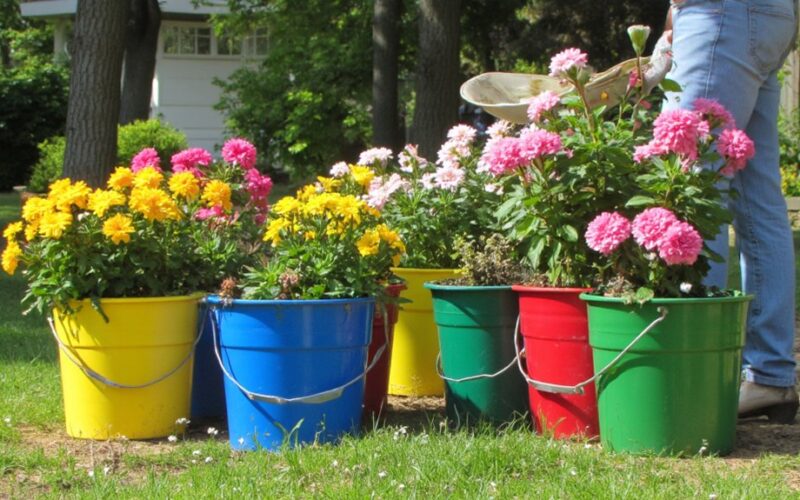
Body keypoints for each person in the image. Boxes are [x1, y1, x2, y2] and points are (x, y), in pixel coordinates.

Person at [663, 0, 799, 423]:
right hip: (770, 14)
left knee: (692, 180)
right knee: (757, 197)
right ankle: (770, 376)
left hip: (721, 13)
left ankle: (696, 371)